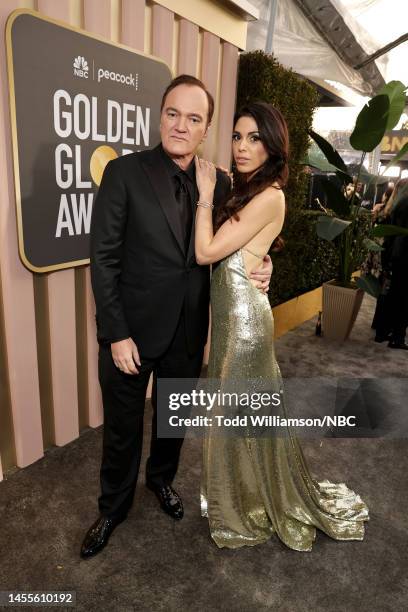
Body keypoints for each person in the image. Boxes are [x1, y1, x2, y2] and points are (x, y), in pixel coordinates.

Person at [81, 75, 273, 559]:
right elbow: (102, 259)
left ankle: (161, 482)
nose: (180, 126)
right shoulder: (125, 173)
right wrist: (116, 333)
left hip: (189, 329)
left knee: (172, 421)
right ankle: (112, 507)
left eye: (193, 118)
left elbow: (241, 244)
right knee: (123, 426)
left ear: (205, 128)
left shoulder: (222, 182)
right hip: (132, 331)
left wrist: (263, 266)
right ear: (160, 114)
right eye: (173, 113)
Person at [194, 101, 369, 551]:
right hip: (236, 317)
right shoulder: (251, 190)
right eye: (236, 136)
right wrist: (263, 258)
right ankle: (240, 495)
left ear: (272, 146)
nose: (241, 146)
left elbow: (206, 252)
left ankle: (242, 505)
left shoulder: (270, 195)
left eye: (253, 138)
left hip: (245, 325)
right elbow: (243, 250)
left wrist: (204, 194)